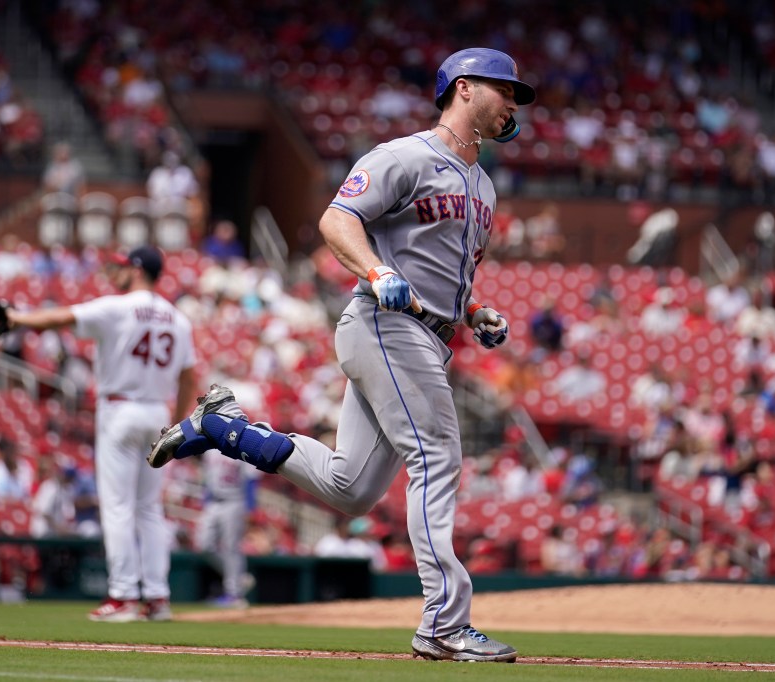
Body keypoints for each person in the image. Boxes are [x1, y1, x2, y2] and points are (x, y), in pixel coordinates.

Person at [147, 48, 533, 663]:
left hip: (429, 331)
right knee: (437, 456)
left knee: (350, 487)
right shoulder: (405, 156)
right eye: (506, 89)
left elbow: (432, 268)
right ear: (464, 88)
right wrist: (377, 271)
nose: (514, 102)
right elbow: (338, 219)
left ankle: (222, 428)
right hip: (387, 324)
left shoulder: (482, 183)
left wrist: (472, 312)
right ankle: (443, 623)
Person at [5, 245, 197, 623]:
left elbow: (60, 318)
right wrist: (173, 427)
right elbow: (190, 379)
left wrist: (15, 319)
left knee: (119, 507)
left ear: (138, 270)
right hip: (158, 411)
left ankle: (123, 596)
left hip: (120, 409)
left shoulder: (118, 306)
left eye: (124, 266)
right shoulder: (178, 319)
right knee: (150, 510)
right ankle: (158, 599)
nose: (117, 271)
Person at [195, 450, 257, 608]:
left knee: (231, 547)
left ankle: (234, 595)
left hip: (234, 501)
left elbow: (251, 479)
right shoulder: (210, 450)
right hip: (213, 502)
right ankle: (239, 578)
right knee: (204, 545)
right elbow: (207, 478)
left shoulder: (239, 446)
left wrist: (250, 508)